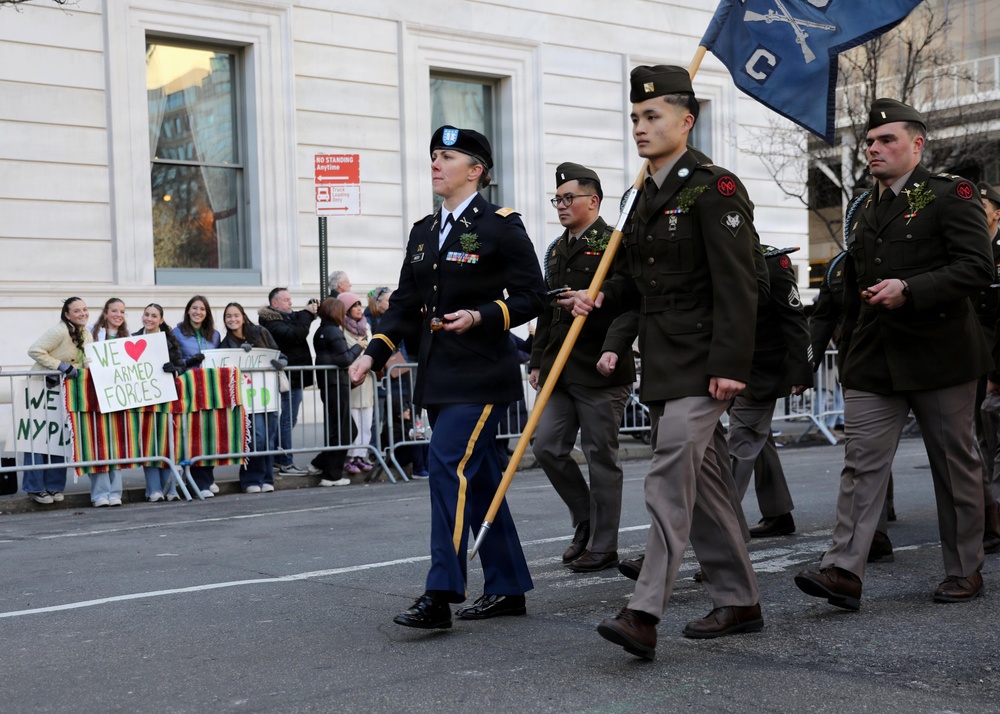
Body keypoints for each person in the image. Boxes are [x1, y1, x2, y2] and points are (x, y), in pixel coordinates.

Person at [573, 66, 762, 660]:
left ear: (686, 121)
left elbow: (740, 283)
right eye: (635, 117)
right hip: (663, 361)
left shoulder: (714, 188)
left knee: (666, 480)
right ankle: (740, 600)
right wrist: (600, 295)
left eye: (652, 116)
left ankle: (644, 611)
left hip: (705, 362)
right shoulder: (640, 195)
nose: (640, 126)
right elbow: (639, 283)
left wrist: (731, 363)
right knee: (705, 487)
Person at [795, 98, 993, 610]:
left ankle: (964, 569)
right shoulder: (866, 207)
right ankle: (843, 570)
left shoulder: (949, 195)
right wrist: (825, 351)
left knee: (954, 466)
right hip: (874, 356)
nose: (874, 149)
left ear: (917, 144)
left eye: (887, 140)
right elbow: (847, 287)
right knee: (860, 465)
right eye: (869, 141)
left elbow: (977, 267)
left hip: (940, 354)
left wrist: (911, 288)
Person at [349, 125, 544, 630]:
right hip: (439, 376)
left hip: (481, 374)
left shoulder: (500, 225)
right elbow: (404, 304)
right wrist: (373, 353)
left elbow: (532, 295)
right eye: (434, 155)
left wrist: (482, 315)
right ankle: (507, 585)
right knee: (478, 479)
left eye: (447, 157)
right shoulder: (424, 230)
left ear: (476, 170)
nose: (435, 163)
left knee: (446, 465)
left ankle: (441, 591)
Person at [529, 162, 636, 573]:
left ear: (593, 200)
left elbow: (631, 297)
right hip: (560, 367)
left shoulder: (614, 241)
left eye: (568, 197)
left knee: (600, 457)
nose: (560, 205)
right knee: (546, 446)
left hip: (599, 366)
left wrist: (612, 343)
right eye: (556, 199)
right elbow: (548, 308)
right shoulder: (557, 249)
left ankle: (604, 545)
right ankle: (586, 518)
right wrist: (537, 359)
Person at [727, 247, 812, 537]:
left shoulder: (771, 262)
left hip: (760, 370)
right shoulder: (714, 253)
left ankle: (722, 528)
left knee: (740, 443)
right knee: (759, 442)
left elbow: (794, 318)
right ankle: (778, 513)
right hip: (724, 366)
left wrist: (802, 369)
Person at [23, 297, 92, 504]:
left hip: (62, 390)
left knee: (58, 437)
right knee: (37, 438)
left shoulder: (85, 333)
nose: (82, 313)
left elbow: (84, 360)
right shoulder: (60, 331)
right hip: (40, 388)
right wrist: (59, 366)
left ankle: (54, 486)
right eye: (77, 310)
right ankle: (35, 487)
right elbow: (35, 350)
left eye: (84, 309)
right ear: (67, 314)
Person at [222, 302, 285, 494]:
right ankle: (251, 478)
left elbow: (279, 354)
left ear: (243, 316)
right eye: (228, 316)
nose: (232, 319)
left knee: (269, 437)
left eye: (236, 315)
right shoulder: (226, 343)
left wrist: (281, 362)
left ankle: (267, 478)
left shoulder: (260, 332)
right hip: (248, 399)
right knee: (256, 437)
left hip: (268, 394)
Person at [258, 288, 320, 478]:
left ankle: (278, 456)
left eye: (290, 299)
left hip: (294, 375)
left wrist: (309, 310)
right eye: (286, 300)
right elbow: (297, 334)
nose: (290, 302)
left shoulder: (287, 317)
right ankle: (286, 462)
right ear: (275, 303)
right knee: (287, 419)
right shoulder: (271, 322)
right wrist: (308, 314)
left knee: (289, 419)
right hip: (287, 376)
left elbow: (298, 319)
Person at [133, 303, 184, 502]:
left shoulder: (170, 340)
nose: (149, 319)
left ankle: (170, 488)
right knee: (149, 443)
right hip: (142, 398)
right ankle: (153, 489)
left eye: (154, 316)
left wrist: (174, 370)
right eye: (146, 314)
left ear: (161, 319)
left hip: (166, 397)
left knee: (168, 443)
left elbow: (181, 366)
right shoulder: (132, 338)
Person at [174, 295, 221, 498]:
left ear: (207, 313)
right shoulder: (177, 332)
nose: (198, 312)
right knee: (193, 435)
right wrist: (190, 361)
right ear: (188, 310)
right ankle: (197, 481)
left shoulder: (215, 335)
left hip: (210, 388)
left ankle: (208, 477)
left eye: (202, 309)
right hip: (188, 388)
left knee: (209, 433)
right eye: (194, 308)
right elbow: (174, 359)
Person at [312, 298, 361, 487]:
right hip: (336, 384)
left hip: (331, 383)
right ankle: (331, 474)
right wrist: (359, 346)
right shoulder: (333, 331)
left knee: (342, 429)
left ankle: (320, 464)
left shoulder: (322, 330)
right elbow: (344, 359)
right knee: (344, 430)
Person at [975, 181, 1000, 554]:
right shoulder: (969, 248)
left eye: (981, 208)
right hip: (972, 359)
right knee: (980, 441)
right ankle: (987, 517)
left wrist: (997, 374)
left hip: (996, 363)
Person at [86, 298, 128, 507]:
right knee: (97, 444)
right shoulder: (91, 334)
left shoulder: (128, 338)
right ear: (105, 313)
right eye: (114, 311)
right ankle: (100, 493)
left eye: (122, 311)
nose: (118, 315)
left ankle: (115, 491)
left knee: (115, 445)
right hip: (94, 397)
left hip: (117, 397)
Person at [338, 291, 375, 475]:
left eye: (360, 305)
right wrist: (360, 348)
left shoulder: (366, 326)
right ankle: (350, 457)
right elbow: (348, 353)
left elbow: (372, 348)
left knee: (366, 421)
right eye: (354, 306)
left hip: (367, 380)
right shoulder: (342, 329)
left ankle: (361, 455)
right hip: (352, 380)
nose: (359, 309)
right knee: (354, 422)